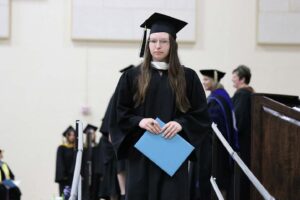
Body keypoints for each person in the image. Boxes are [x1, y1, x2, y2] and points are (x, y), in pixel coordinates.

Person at [109, 13, 211, 200]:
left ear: (172, 44)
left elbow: (201, 115)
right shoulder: (132, 76)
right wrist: (140, 121)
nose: (157, 46)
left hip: (172, 154)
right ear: (147, 44)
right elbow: (119, 114)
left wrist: (181, 124)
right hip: (141, 154)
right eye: (153, 41)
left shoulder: (188, 77)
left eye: (163, 41)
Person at [199, 69, 239, 199]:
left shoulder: (216, 100)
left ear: (214, 80)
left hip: (216, 149)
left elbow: (210, 125)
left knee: (214, 180)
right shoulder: (222, 95)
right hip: (222, 147)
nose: (203, 82)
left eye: (206, 79)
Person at [99, 65, 134, 200]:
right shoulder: (118, 94)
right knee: (119, 168)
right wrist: (112, 134)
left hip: (130, 137)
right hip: (118, 139)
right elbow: (111, 118)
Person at [231, 65, 254, 200]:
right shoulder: (249, 94)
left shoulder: (242, 94)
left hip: (242, 141)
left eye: (234, 77)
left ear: (242, 78)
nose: (232, 80)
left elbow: (237, 120)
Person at [55, 126, 76, 196]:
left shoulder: (77, 149)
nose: (72, 137)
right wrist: (63, 175)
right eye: (70, 135)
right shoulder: (62, 148)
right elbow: (60, 163)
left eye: (74, 135)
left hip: (74, 177)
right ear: (66, 136)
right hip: (65, 178)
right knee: (66, 195)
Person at [82, 124, 101, 200]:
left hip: (95, 174)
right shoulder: (83, 148)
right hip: (85, 174)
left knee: (95, 192)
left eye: (93, 134)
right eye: (89, 134)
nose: (91, 135)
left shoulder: (98, 146)